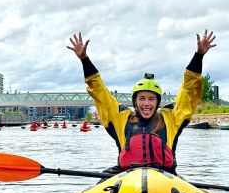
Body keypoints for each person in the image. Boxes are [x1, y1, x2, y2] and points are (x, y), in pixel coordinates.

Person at [67, 29, 216, 174]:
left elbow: (189, 92)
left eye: (151, 99)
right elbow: (100, 92)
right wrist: (84, 60)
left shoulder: (171, 118)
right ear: (135, 101)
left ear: (157, 102)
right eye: (141, 98)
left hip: (164, 178)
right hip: (127, 177)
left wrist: (199, 56)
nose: (146, 103)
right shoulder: (121, 118)